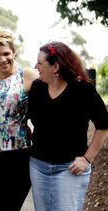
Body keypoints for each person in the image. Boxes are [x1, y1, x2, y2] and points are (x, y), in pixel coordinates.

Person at [28, 41, 108, 210]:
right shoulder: (37, 88)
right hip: (38, 167)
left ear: (55, 67)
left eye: (40, 63)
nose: (36, 66)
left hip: (70, 169)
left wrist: (87, 159)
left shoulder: (83, 90)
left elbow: (103, 125)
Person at [0, 28, 38, 211]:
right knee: (1, 207)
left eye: (6, 53)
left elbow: (52, 95)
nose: (2, 59)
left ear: (14, 52)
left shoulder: (27, 75)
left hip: (19, 153)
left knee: (11, 206)